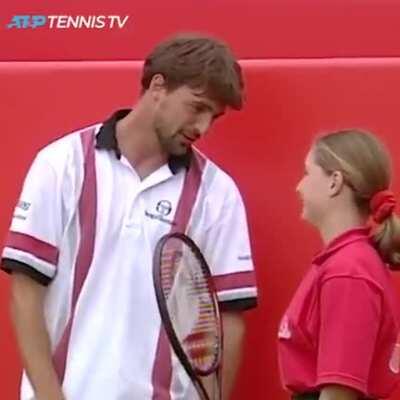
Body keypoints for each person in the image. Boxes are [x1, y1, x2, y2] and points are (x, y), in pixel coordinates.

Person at [1, 33, 257, 400]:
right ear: (158, 86)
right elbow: (26, 295)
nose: (203, 128)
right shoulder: (62, 163)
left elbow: (229, 320)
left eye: (213, 117)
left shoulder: (218, 193)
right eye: (196, 107)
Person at [278, 129, 400, 400]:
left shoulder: (348, 271)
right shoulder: (344, 263)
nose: (299, 185)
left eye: (308, 173)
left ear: (335, 182)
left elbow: (340, 393)